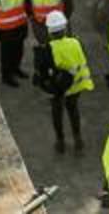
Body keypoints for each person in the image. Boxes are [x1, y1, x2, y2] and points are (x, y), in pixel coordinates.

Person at [38, 11, 93, 153]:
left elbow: (42, 72)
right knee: (73, 110)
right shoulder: (75, 42)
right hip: (76, 86)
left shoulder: (47, 49)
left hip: (58, 89)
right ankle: (77, 138)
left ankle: (60, 140)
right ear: (64, 28)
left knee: (57, 113)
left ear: (49, 31)